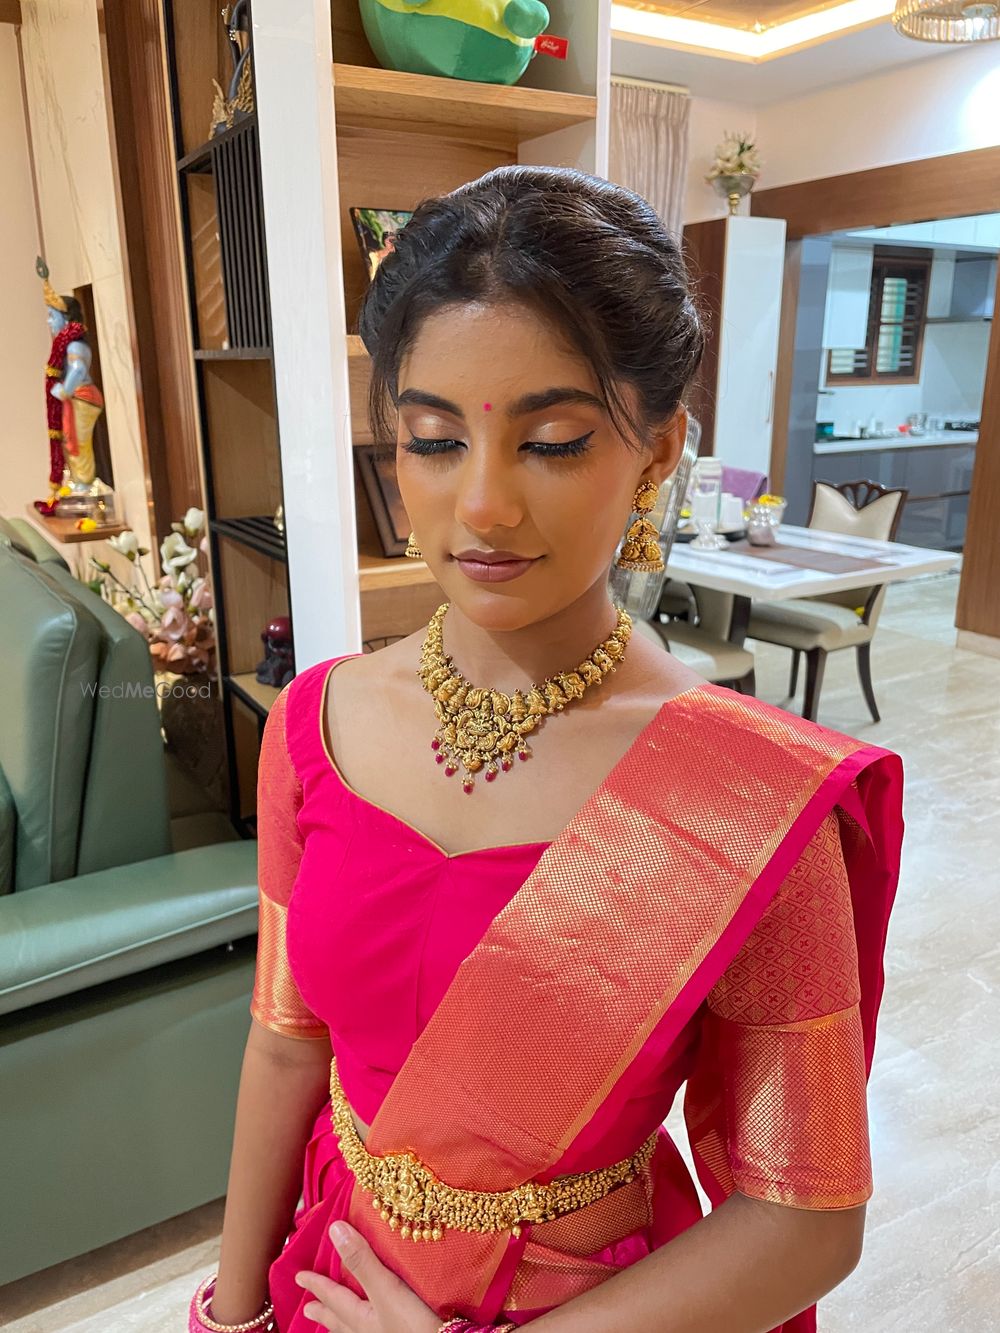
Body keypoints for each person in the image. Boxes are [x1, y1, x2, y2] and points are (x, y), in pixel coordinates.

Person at [189, 165, 903, 1333]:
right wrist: (231, 1313)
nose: (481, 503)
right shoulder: (315, 726)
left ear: (658, 450)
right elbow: (283, 1043)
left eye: (554, 441)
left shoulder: (746, 799)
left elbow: (807, 1215)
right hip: (328, 1277)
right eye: (432, 439)